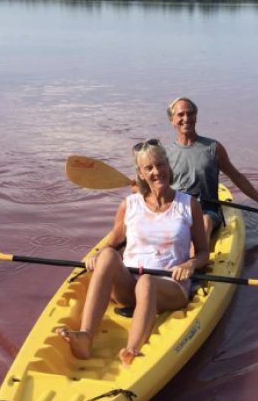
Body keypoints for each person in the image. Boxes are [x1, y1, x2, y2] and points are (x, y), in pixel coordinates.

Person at [59, 139, 209, 366]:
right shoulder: (129, 205)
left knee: (147, 282)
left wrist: (190, 264)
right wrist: (96, 256)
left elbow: (204, 252)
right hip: (129, 286)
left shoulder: (189, 205)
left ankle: (132, 348)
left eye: (160, 165)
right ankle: (86, 336)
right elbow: (110, 244)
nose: (157, 172)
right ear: (140, 173)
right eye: (149, 168)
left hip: (169, 287)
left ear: (169, 166)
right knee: (109, 257)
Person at [164, 96, 258, 237]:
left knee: (205, 222)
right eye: (180, 114)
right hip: (178, 209)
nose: (186, 118)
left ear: (196, 117)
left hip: (207, 210)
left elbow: (236, 177)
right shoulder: (165, 154)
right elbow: (157, 187)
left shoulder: (213, 148)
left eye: (190, 113)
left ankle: (199, 257)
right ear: (172, 120)